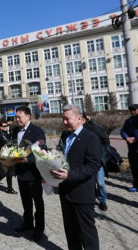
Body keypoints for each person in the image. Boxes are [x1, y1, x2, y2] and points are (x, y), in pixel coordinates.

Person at [51, 105, 101, 250]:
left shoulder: (91, 138)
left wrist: (70, 175)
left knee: (87, 233)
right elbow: (61, 157)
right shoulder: (65, 135)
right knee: (71, 231)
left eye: (67, 119)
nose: (64, 122)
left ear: (79, 119)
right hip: (65, 192)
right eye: (63, 119)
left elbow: (93, 166)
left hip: (82, 193)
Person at [12, 106, 46, 243]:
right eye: (16, 117)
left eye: (20, 117)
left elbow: (42, 150)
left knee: (38, 202)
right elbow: (12, 147)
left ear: (28, 117)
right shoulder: (15, 131)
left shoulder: (37, 132)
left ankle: (39, 230)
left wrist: (28, 159)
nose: (17, 119)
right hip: (20, 173)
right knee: (25, 201)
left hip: (33, 173)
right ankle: (27, 223)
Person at [82, 113, 109, 211]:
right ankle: (91, 200)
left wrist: (100, 151)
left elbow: (106, 140)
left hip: (97, 160)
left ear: (83, 120)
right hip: (84, 161)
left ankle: (102, 201)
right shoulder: (77, 130)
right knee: (90, 182)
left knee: (100, 182)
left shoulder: (93, 128)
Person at [0, 119, 17, 194]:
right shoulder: (0, 134)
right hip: (4, 156)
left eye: (7, 125)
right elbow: (8, 143)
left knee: (9, 172)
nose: (6, 127)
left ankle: (9, 188)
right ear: (0, 127)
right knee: (5, 172)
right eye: (4, 126)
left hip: (8, 155)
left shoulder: (5, 132)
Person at [120, 104, 138, 192]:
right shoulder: (129, 121)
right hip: (132, 148)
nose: (132, 112)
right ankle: (136, 185)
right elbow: (123, 131)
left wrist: (136, 138)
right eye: (131, 110)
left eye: (134, 110)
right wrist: (127, 137)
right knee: (134, 168)